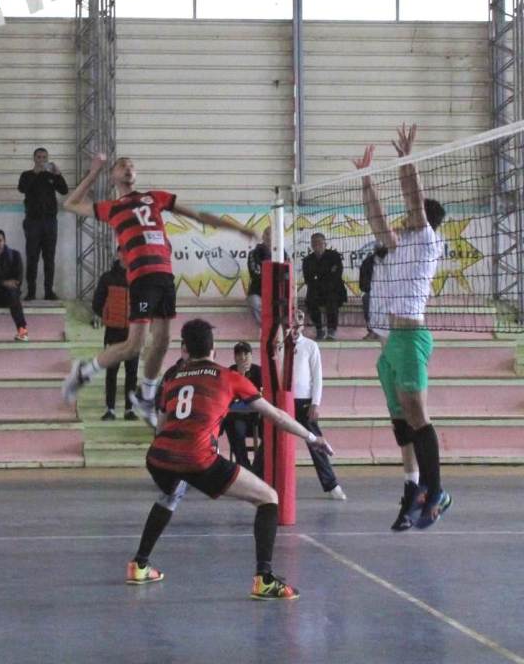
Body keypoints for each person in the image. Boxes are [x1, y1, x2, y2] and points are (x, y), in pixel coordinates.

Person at [126, 318, 335, 599]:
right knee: (269, 497)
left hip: (159, 457)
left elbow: (162, 427)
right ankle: (264, 579)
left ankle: (139, 564)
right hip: (198, 457)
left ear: (184, 348)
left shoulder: (172, 378)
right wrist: (312, 438)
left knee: (171, 493)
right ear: (214, 350)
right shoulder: (229, 376)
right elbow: (276, 416)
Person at [61, 154, 258, 421]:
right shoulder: (112, 208)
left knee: (164, 341)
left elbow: (198, 215)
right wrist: (93, 173)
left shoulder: (155, 197)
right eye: (122, 165)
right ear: (114, 176)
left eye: (132, 165)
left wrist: (236, 228)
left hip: (165, 275)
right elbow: (70, 203)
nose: (129, 168)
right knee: (134, 345)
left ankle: (145, 396)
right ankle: (84, 371)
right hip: (142, 277)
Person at [355, 123, 450, 530]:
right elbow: (376, 217)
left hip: (411, 336)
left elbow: (413, 199)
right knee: (400, 420)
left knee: (417, 415)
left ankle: (436, 488)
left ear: (422, 219)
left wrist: (407, 159)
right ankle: (413, 486)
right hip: (391, 342)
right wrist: (365, 179)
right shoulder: (396, 246)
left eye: (412, 214)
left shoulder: (427, 240)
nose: (403, 217)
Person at [290, 310, 345, 500]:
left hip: (304, 401)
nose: (295, 326)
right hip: (284, 402)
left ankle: (331, 485)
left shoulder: (311, 346)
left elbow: (317, 377)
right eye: (292, 322)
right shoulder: (279, 345)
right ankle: (256, 478)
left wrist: (315, 403)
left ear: (303, 325)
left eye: (299, 321)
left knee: (316, 443)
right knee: (270, 442)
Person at [92, 246, 139, 421]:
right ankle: (110, 409)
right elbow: (97, 303)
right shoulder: (107, 278)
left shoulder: (138, 278)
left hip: (134, 333)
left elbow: (145, 302)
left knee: (132, 373)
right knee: (111, 372)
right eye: (123, 252)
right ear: (118, 254)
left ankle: (129, 409)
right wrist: (108, 315)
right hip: (113, 333)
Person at [17, 147, 68, 300]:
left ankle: (48, 292)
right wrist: (36, 173)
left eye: (44, 157)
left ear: (47, 159)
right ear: (34, 159)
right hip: (32, 222)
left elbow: (64, 191)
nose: (41, 160)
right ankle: (31, 292)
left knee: (49, 258)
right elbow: (22, 188)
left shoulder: (51, 176)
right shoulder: (26, 175)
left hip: (50, 222)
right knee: (32, 257)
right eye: (38, 157)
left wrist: (58, 175)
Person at [222, 341, 262, 471]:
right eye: (239, 354)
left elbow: (259, 396)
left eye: (246, 354)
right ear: (234, 357)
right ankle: (244, 465)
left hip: (255, 416)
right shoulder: (230, 371)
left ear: (251, 355)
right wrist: (240, 375)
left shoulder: (258, 371)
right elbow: (228, 397)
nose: (242, 357)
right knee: (233, 425)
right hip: (237, 416)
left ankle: (258, 467)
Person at [302, 232, 347, 340]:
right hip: (316, 291)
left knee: (331, 299)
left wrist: (318, 277)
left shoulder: (334, 256)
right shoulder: (307, 260)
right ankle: (319, 330)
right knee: (310, 300)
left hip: (333, 289)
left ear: (325, 244)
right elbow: (308, 279)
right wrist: (326, 274)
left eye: (320, 242)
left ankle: (332, 330)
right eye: (314, 243)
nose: (317, 245)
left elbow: (336, 275)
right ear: (311, 245)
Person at [359, 246, 381, 341]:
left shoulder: (394, 260)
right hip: (372, 291)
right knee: (367, 298)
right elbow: (362, 283)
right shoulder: (367, 262)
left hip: (391, 291)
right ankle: (372, 331)